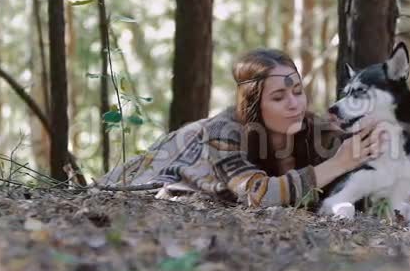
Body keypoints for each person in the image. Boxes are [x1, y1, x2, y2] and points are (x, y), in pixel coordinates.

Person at [102, 49, 383, 208]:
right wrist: (339, 163)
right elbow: (257, 194)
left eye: (298, 91)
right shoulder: (224, 132)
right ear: (253, 105)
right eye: (278, 97)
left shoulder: (313, 128)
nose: (294, 103)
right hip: (154, 170)